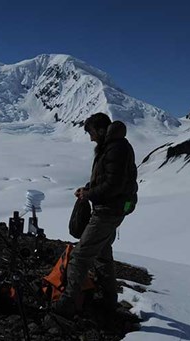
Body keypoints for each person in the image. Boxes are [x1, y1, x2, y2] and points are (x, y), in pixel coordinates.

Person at [53, 113, 138, 318]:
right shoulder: (114, 146)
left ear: (100, 130)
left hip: (107, 211)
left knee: (80, 255)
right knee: (102, 253)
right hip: (112, 209)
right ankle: (109, 302)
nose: (90, 138)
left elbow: (112, 185)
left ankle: (67, 303)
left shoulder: (115, 149)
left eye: (91, 132)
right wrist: (88, 188)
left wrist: (88, 194)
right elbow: (107, 178)